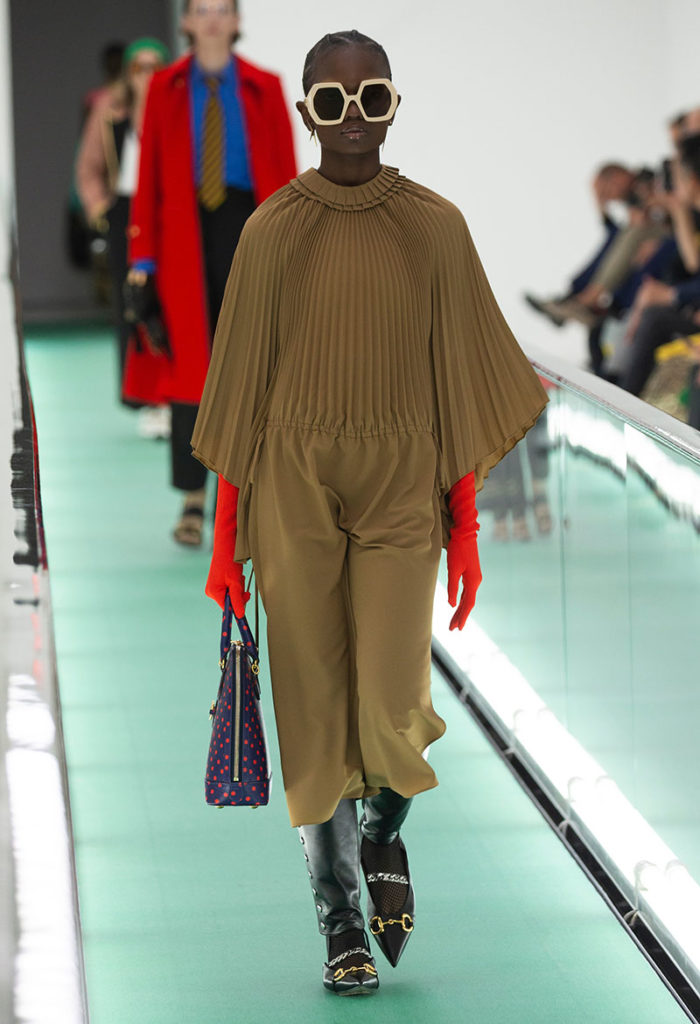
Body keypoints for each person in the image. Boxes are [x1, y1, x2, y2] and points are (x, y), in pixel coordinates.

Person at [192, 30, 547, 995]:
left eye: (372, 97)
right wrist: (227, 544)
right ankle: (340, 918)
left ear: (395, 104)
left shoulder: (435, 227)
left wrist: (465, 527)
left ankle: (382, 828)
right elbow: (239, 394)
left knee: (392, 703)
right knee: (312, 706)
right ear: (306, 112)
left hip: (402, 478)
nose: (354, 117)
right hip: (291, 478)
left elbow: (457, 382)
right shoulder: (271, 230)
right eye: (333, 101)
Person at [125, 0, 296, 544]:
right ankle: (193, 501)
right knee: (191, 369)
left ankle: (244, 501)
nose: (213, 19)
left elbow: (287, 174)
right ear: (187, 22)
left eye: (223, 9)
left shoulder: (265, 87)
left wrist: (296, 249)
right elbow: (149, 175)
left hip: (252, 228)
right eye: (202, 9)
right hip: (184, 235)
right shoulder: (167, 87)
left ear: (238, 21)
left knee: (250, 366)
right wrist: (142, 259)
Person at [76, 38, 170, 436]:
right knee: (130, 305)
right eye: (138, 68)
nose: (146, 76)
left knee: (168, 302)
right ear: (127, 74)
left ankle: (171, 393)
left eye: (154, 67)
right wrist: (100, 210)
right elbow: (88, 167)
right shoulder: (109, 111)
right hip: (125, 213)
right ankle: (143, 396)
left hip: (167, 214)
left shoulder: (177, 108)